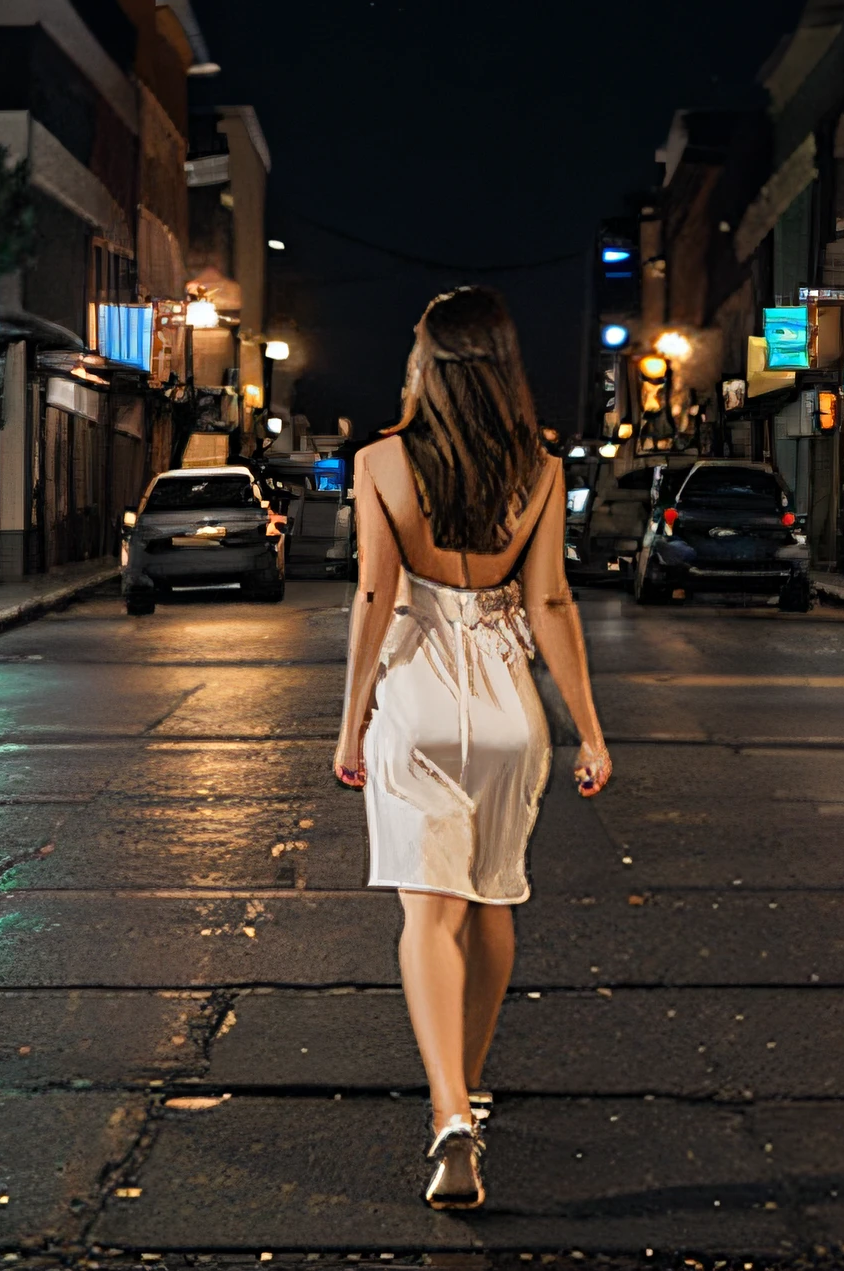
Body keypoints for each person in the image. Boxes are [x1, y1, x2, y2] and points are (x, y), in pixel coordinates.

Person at [334, 286, 610, 1210]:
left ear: (427, 365)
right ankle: (467, 1091)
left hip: (414, 695)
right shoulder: (537, 469)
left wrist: (350, 722)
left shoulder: (379, 461)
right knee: (493, 898)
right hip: (505, 702)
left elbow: (376, 595)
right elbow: (552, 603)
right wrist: (589, 729)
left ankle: (449, 1109)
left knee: (428, 913)